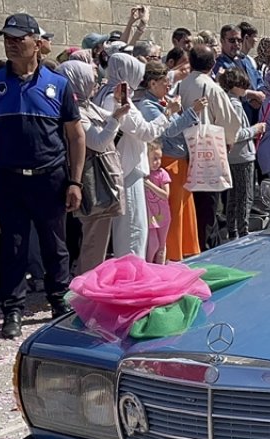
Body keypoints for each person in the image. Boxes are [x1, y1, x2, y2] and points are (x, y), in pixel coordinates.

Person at [0, 13, 84, 338]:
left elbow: (76, 136)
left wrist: (75, 181)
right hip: (8, 179)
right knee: (13, 246)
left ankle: (59, 301)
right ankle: (13, 311)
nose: (10, 42)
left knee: (55, 245)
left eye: (18, 37)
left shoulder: (59, 84)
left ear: (36, 42)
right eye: (6, 37)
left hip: (49, 177)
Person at [98, 52, 178, 259]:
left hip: (126, 166)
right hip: (128, 168)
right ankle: (133, 277)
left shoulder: (108, 94)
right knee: (134, 229)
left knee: (133, 227)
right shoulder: (116, 99)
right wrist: (168, 113)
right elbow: (145, 132)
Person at [56, 60, 128, 274]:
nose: (95, 84)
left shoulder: (86, 105)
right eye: (91, 79)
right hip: (93, 180)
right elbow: (97, 141)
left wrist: (117, 105)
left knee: (98, 236)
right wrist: (115, 118)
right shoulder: (74, 110)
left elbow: (108, 120)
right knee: (93, 238)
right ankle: (88, 285)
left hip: (102, 177)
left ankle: (90, 280)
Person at [176, 44, 242, 250]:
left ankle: (191, 245)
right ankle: (206, 248)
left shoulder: (180, 84)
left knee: (190, 206)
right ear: (213, 64)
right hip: (206, 151)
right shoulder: (211, 87)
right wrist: (229, 140)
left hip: (181, 148)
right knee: (208, 206)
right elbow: (229, 120)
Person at [136, 60, 203, 261]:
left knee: (183, 211)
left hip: (179, 160)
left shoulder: (164, 101)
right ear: (152, 84)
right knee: (170, 213)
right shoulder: (148, 105)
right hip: (166, 161)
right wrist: (191, 112)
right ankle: (171, 254)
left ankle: (183, 252)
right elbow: (169, 131)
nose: (168, 85)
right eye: (164, 81)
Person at [218, 66, 263, 237]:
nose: (246, 88)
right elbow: (236, 134)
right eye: (243, 84)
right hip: (242, 156)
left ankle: (232, 230)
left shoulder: (227, 101)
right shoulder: (235, 105)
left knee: (233, 196)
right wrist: (255, 129)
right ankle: (242, 231)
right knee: (244, 196)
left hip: (233, 157)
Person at [143, 140, 170, 263]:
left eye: (159, 158)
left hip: (162, 216)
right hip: (151, 217)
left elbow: (165, 195)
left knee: (161, 246)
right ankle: (149, 265)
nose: (158, 162)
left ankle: (161, 268)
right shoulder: (144, 174)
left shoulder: (162, 174)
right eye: (154, 158)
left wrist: (149, 185)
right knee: (153, 244)